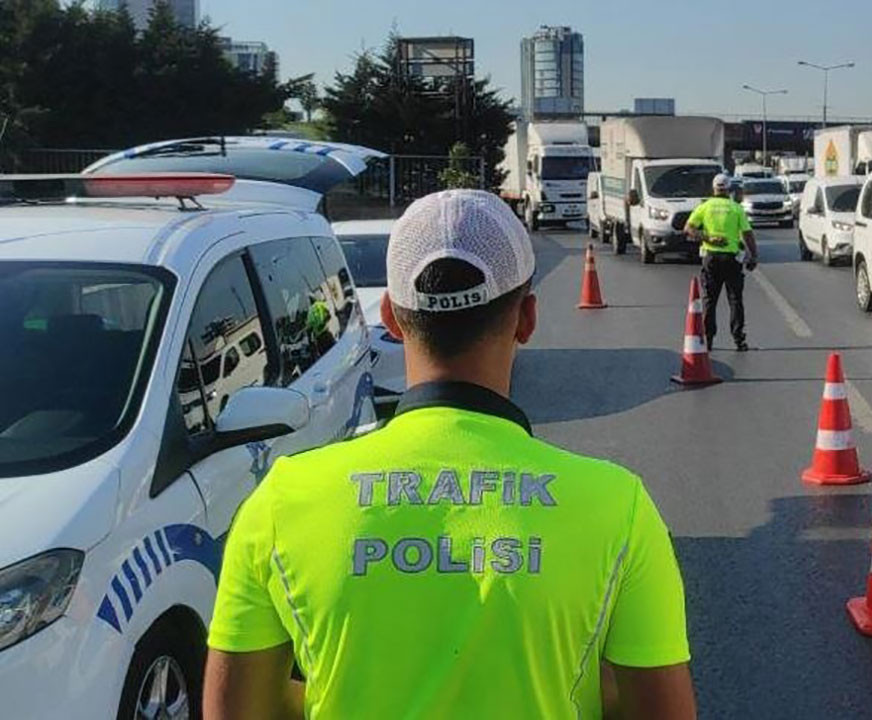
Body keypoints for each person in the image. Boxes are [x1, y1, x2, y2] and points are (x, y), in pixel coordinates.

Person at [203, 190, 696, 720]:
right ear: (527, 318)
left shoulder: (282, 501)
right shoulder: (617, 506)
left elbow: (235, 711)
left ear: (391, 317)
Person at [685, 172, 759, 352]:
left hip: (711, 258)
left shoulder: (705, 207)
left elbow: (688, 229)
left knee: (710, 300)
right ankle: (739, 340)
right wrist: (753, 256)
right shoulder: (735, 208)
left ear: (714, 188)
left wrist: (708, 238)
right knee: (735, 300)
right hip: (732, 260)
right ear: (729, 189)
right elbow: (748, 234)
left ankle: (708, 340)